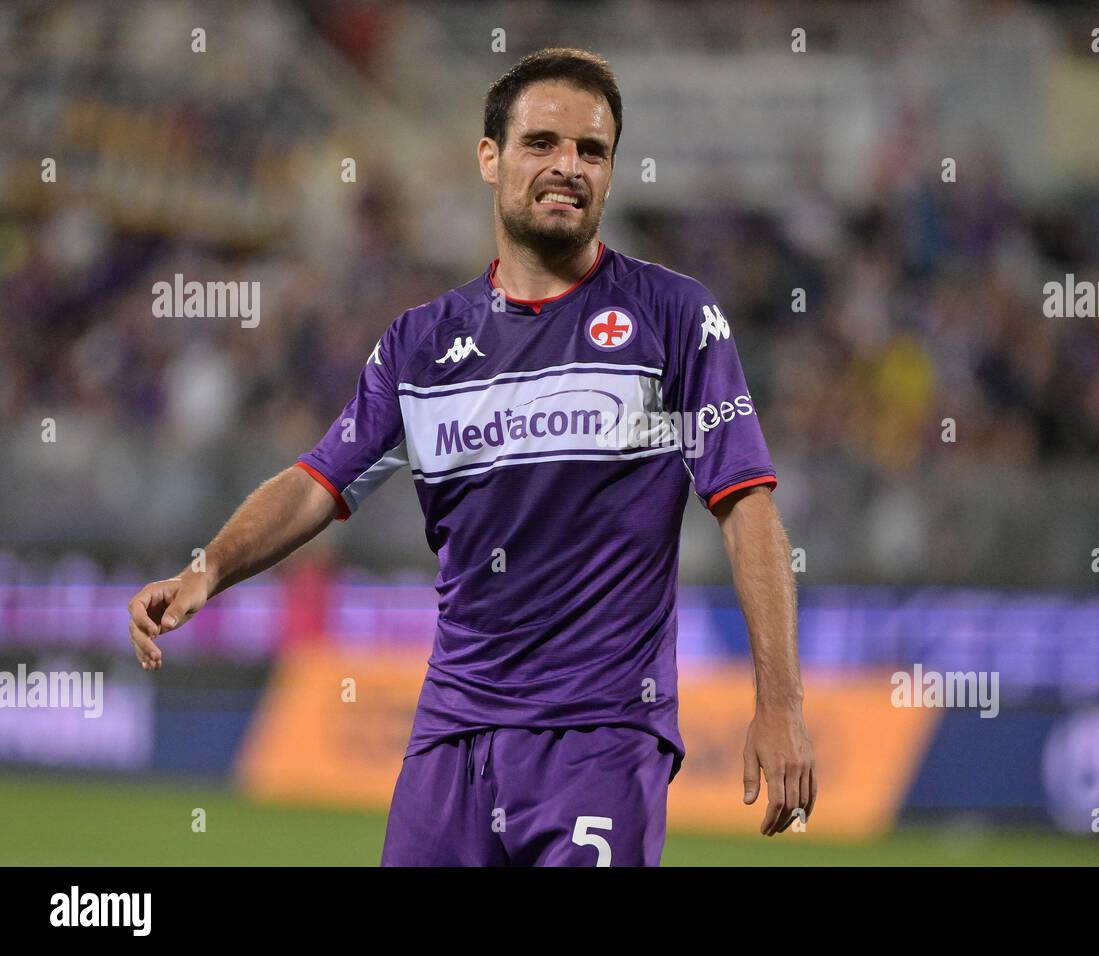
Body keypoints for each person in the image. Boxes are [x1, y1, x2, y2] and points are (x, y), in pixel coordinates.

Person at [127, 47, 815, 866]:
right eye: (543, 143)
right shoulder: (419, 344)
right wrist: (207, 570)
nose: (568, 167)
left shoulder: (673, 317)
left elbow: (747, 507)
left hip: (599, 734)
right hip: (453, 733)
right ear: (489, 158)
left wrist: (779, 704)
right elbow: (317, 482)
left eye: (591, 151)